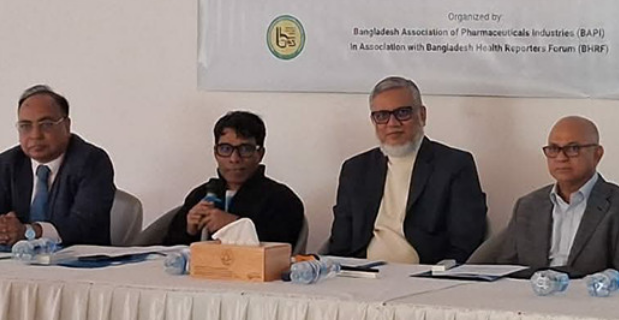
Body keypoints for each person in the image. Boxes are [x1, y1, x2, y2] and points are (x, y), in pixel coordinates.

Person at [327, 76, 487, 264]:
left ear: (422, 115)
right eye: (382, 116)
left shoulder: (454, 165)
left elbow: (465, 242)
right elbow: (340, 244)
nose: (392, 123)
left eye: (403, 113)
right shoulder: (355, 170)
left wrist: (439, 273)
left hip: (425, 273)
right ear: (373, 121)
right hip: (363, 273)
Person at [495, 116, 619, 277]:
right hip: (529, 291)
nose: (561, 158)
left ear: (597, 154)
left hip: (589, 292)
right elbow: (506, 269)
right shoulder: (527, 206)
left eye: (573, 149)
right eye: (553, 149)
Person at [0, 85, 115, 246]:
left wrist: (29, 232)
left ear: (67, 125)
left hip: (77, 259)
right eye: (25, 126)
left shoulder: (91, 161)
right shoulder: (7, 164)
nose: (35, 135)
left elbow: (84, 226)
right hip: (16, 260)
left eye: (46, 124)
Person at [164, 111, 304, 246]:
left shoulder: (282, 199)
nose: (234, 159)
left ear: (260, 154)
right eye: (225, 149)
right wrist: (189, 230)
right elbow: (166, 251)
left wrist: (235, 225)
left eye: (245, 149)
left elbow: (282, 249)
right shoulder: (200, 195)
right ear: (215, 153)